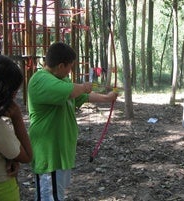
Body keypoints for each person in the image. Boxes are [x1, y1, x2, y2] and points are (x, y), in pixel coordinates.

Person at [27, 42, 118, 201]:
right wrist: (83, 86)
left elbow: (82, 97)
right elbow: (74, 91)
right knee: (50, 197)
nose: (71, 70)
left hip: (61, 154)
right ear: (61, 65)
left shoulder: (63, 80)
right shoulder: (40, 79)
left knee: (57, 196)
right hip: (50, 155)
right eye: (70, 66)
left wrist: (107, 98)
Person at [0, 54, 33, 201]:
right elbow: (27, 155)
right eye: (13, 93)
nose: (14, 97)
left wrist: (9, 157)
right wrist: (17, 117)